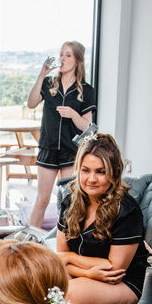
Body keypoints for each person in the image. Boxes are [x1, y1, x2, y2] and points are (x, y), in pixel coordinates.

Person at [56, 133, 149, 304]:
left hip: (125, 282)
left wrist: (70, 258)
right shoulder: (70, 202)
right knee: (37, 285)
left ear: (113, 173)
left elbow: (113, 269)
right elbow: (60, 258)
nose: (91, 179)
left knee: (68, 294)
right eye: (85, 170)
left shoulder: (126, 210)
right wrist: (87, 271)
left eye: (100, 171)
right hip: (91, 274)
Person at [26, 41, 96, 229]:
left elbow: (87, 127)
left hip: (71, 151)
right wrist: (42, 74)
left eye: (68, 55)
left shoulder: (86, 91)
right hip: (48, 148)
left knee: (68, 203)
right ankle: (29, 244)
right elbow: (31, 103)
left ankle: (64, 245)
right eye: (61, 54)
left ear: (78, 61)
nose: (62, 59)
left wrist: (73, 114)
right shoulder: (49, 83)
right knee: (42, 199)